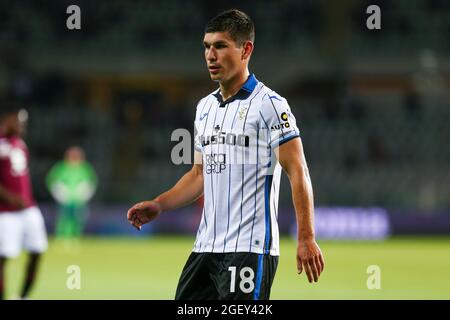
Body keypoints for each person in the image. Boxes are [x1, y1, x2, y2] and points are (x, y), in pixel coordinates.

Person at [127, 9, 324, 300]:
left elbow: (298, 170)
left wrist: (306, 236)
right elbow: (198, 175)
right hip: (205, 248)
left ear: (246, 49)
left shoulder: (270, 105)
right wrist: (160, 204)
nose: (210, 55)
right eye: (207, 47)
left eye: (220, 46)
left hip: (249, 248)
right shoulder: (204, 108)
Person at [0, 102, 48, 300]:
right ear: (7, 120)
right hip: (6, 212)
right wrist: (9, 196)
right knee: (3, 258)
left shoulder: (20, 144)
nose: (21, 125)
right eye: (18, 120)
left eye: (24, 122)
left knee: (37, 251)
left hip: (28, 209)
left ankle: (22, 296)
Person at [46, 146, 97, 240]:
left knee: (78, 219)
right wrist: (59, 193)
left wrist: (85, 194)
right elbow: (52, 181)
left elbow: (91, 182)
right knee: (63, 219)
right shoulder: (61, 168)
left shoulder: (85, 169)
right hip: (65, 200)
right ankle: (61, 238)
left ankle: (75, 238)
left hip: (79, 201)